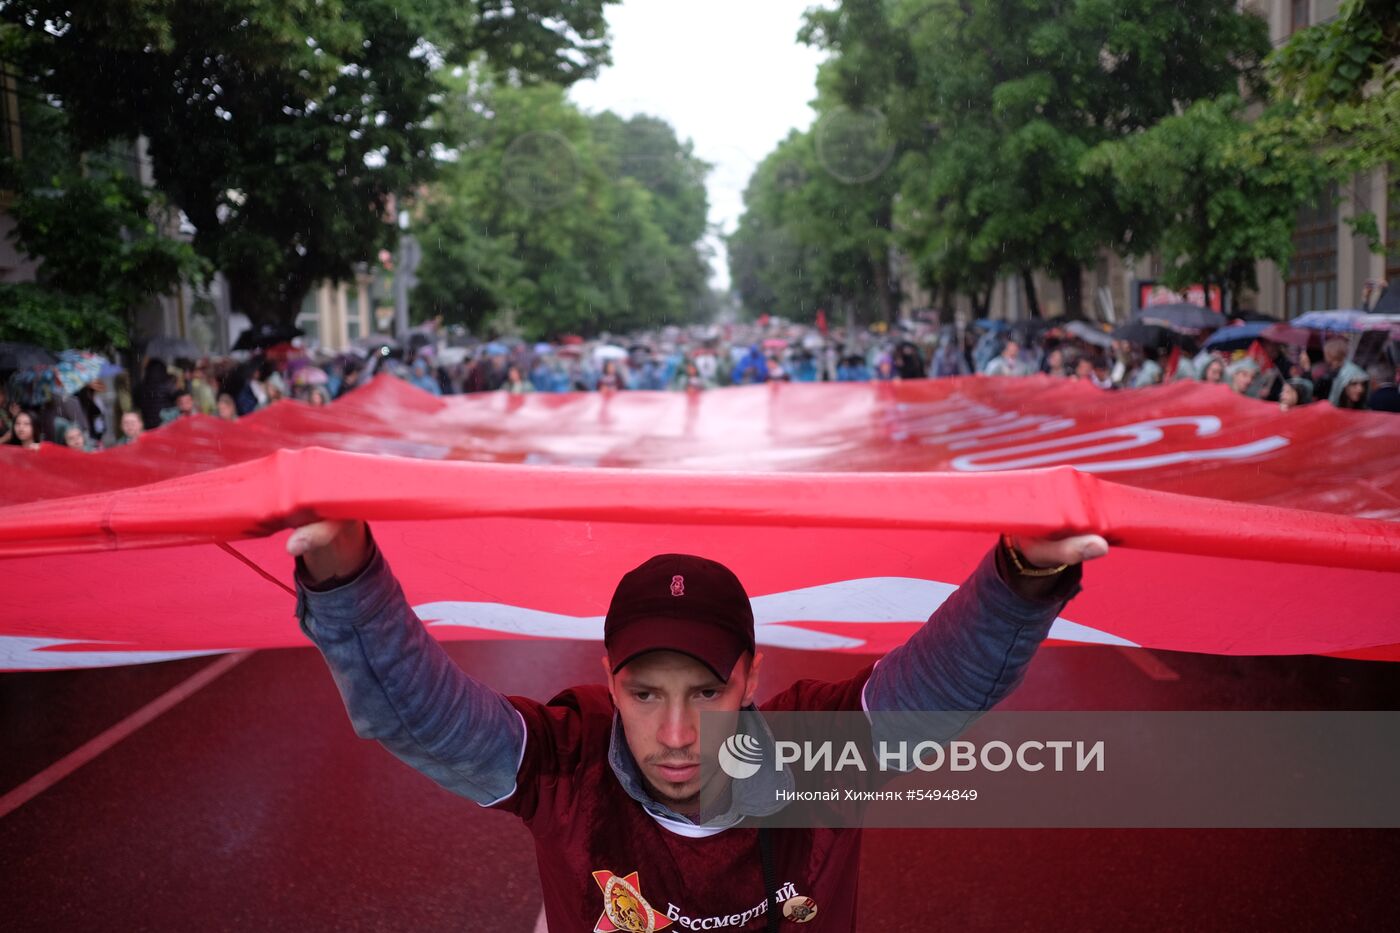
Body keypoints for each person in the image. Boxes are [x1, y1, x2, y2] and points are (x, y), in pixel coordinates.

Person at [288, 519, 1106, 930]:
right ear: (611, 681)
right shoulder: (564, 770)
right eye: (645, 695)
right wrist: (344, 571)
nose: (677, 734)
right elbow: (421, 717)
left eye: (706, 692)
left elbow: (942, 687)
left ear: (750, 677)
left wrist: (1023, 574)